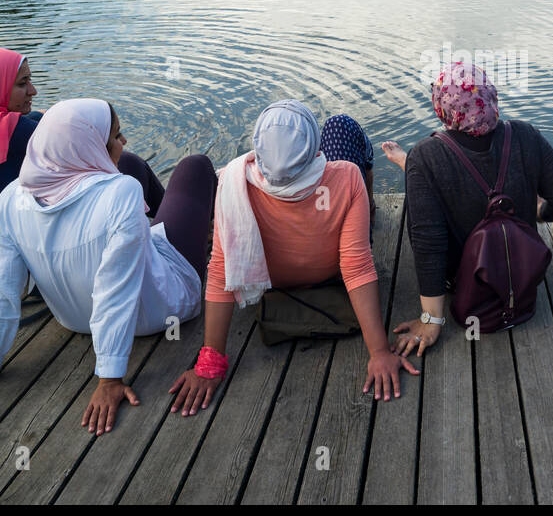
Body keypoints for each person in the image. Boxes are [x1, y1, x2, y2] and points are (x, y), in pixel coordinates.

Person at [0, 99, 216, 436]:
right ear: (92, 145)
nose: (123, 142)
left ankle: (167, 226)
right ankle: (203, 238)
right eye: (116, 136)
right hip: (160, 309)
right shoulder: (122, 192)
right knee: (195, 166)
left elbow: (0, 290)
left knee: (132, 163)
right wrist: (109, 377)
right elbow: (116, 291)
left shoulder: (10, 197)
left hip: (74, 319)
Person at [169, 100, 416, 415]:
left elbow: (220, 271)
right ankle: (366, 207)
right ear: (313, 149)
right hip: (331, 271)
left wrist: (209, 363)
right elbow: (355, 267)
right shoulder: (346, 177)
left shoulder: (234, 182)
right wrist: (379, 352)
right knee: (341, 125)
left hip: (269, 280)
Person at [381, 60, 553, 359]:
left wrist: (431, 319)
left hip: (465, 281)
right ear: (490, 97)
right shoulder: (527, 136)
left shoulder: (426, 156)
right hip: (521, 271)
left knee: (422, 209)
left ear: (441, 106)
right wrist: (535, 213)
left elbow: (429, 242)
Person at [0, 47, 163, 283]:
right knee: (129, 163)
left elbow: (39, 124)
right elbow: (82, 143)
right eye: (22, 84)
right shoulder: (9, 130)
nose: (33, 90)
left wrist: (39, 116)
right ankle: (166, 231)